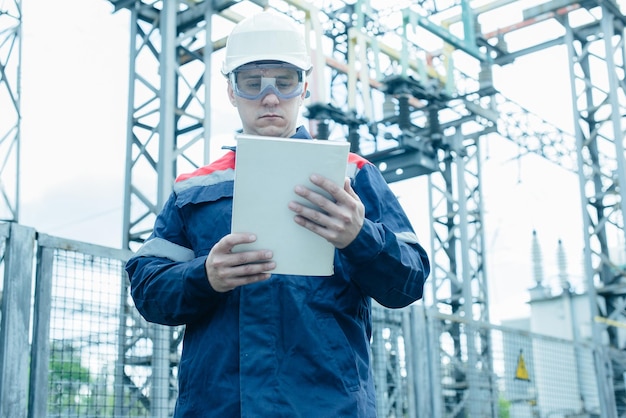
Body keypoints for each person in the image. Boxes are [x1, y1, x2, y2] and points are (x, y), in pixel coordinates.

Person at [125, 10, 430, 418]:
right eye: (252, 84)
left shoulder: (354, 175)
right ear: (231, 92)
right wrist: (204, 276)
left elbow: (408, 283)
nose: (269, 97)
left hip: (325, 408)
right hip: (219, 408)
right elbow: (148, 291)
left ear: (303, 88)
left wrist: (361, 237)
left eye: (284, 83)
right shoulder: (192, 189)